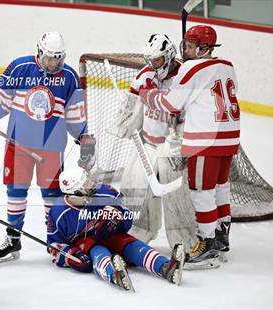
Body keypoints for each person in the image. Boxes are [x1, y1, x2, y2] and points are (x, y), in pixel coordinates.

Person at [0, 31, 95, 263]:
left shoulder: (69, 77)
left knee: (51, 194)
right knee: (16, 192)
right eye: (49, 57)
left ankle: (54, 238)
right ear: (39, 52)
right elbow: (0, 104)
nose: (54, 63)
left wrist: (84, 137)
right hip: (19, 143)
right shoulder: (19, 68)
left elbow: (75, 117)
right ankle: (13, 237)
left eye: (58, 58)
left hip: (51, 146)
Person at [140, 25, 240, 267]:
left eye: (190, 45)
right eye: (184, 44)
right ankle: (221, 236)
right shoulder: (227, 66)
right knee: (220, 187)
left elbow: (172, 104)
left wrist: (148, 94)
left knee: (201, 192)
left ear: (204, 48)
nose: (185, 49)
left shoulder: (191, 67)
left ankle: (206, 244)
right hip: (229, 136)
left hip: (204, 141)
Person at [46, 168, 185, 291]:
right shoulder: (58, 213)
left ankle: (166, 267)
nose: (91, 185)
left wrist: (119, 222)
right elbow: (53, 246)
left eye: (88, 179)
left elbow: (127, 217)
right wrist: (71, 256)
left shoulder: (106, 193)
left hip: (111, 235)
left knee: (131, 244)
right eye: (85, 184)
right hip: (86, 243)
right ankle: (113, 274)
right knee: (97, 251)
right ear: (75, 193)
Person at [119, 33, 181, 242]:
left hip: (172, 148)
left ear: (169, 56)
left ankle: (184, 242)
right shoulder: (145, 75)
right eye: (150, 61)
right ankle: (140, 232)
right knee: (133, 187)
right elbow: (131, 107)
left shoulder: (184, 78)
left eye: (157, 60)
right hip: (147, 143)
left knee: (177, 197)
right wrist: (126, 122)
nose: (153, 65)